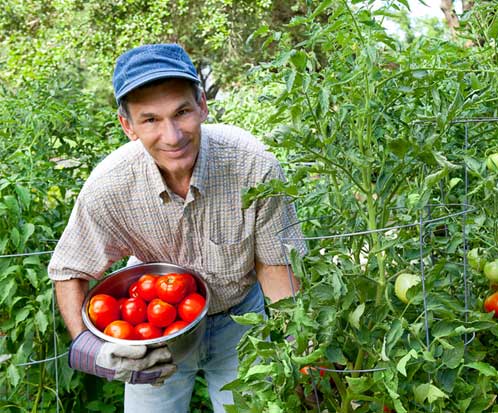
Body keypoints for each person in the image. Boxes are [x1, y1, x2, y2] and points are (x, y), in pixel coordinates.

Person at [47, 43, 306, 413]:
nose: (172, 136)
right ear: (128, 126)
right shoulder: (110, 186)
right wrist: (91, 348)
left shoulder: (253, 166)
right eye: (150, 119)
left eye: (181, 112)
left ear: (202, 105)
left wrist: (299, 347)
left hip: (240, 321)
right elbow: (70, 270)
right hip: (151, 334)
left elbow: (274, 265)